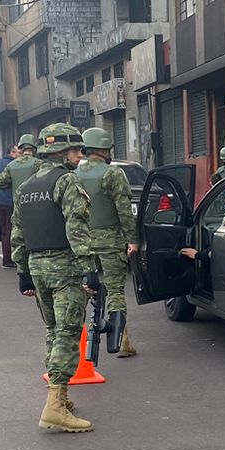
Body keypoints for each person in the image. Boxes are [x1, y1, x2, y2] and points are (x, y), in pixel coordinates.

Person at [11, 124, 95, 433]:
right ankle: (55, 404)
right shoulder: (67, 181)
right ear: (62, 152)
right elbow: (76, 226)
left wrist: (23, 273)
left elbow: (17, 234)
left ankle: (59, 398)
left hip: (37, 266)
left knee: (52, 330)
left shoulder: (27, 186)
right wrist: (90, 267)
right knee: (68, 333)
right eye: (76, 150)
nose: (79, 155)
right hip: (64, 266)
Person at [76, 126, 139, 357]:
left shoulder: (75, 174)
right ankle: (121, 341)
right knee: (115, 290)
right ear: (103, 149)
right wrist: (133, 239)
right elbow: (124, 211)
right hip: (111, 241)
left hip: (83, 242)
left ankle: (78, 344)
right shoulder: (112, 173)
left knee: (83, 290)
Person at [0, 134, 41, 268]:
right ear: (34, 148)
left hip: (18, 206)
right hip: (36, 205)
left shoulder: (12, 165)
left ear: (20, 148)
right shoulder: (38, 164)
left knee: (18, 236)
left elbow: (0, 183)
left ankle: (21, 264)